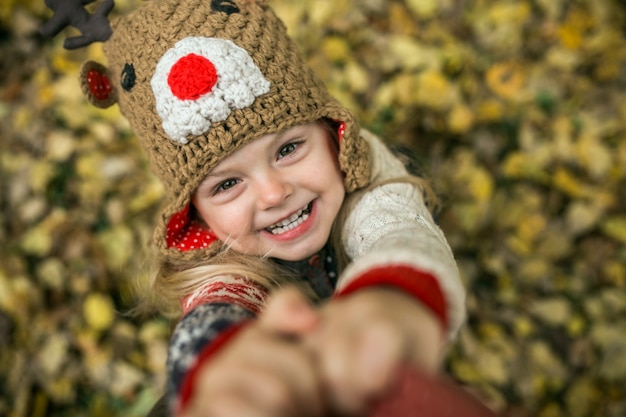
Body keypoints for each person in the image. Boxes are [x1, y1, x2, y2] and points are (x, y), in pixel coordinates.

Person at [41, 0, 466, 416]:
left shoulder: (369, 181)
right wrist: (225, 363)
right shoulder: (217, 257)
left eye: (288, 149)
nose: (273, 194)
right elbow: (215, 308)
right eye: (227, 184)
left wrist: (393, 298)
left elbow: (394, 228)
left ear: (330, 132)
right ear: (195, 213)